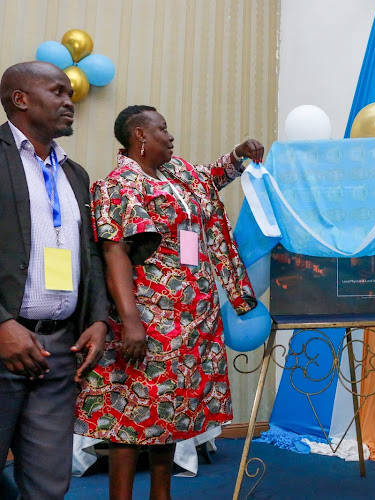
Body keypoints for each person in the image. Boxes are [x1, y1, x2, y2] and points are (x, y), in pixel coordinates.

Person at [74, 105, 263, 500]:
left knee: (171, 413)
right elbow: (115, 253)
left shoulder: (177, 174)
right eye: (162, 129)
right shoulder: (119, 184)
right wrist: (130, 320)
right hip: (150, 317)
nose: (170, 135)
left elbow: (211, 178)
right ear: (140, 135)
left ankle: (162, 495)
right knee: (130, 416)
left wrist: (239, 154)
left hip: (190, 318)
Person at [0, 61, 108, 499]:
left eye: (70, 94)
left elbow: (92, 256)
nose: (69, 102)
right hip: (4, 343)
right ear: (20, 99)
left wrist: (98, 319)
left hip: (58, 353)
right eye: (58, 92)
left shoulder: (74, 172)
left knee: (48, 485)